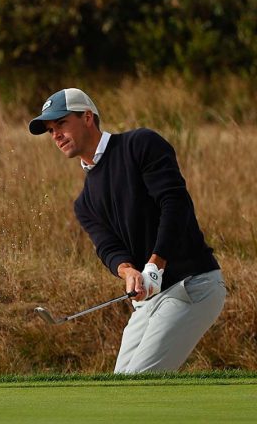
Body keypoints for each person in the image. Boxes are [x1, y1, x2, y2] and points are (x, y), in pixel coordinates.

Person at [28, 88, 226, 373]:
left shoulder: (140, 145)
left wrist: (156, 262)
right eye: (50, 130)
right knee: (120, 385)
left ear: (87, 118)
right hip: (149, 300)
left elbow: (175, 203)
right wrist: (128, 271)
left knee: (137, 384)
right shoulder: (84, 203)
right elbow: (108, 248)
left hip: (191, 285)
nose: (55, 135)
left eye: (61, 123)